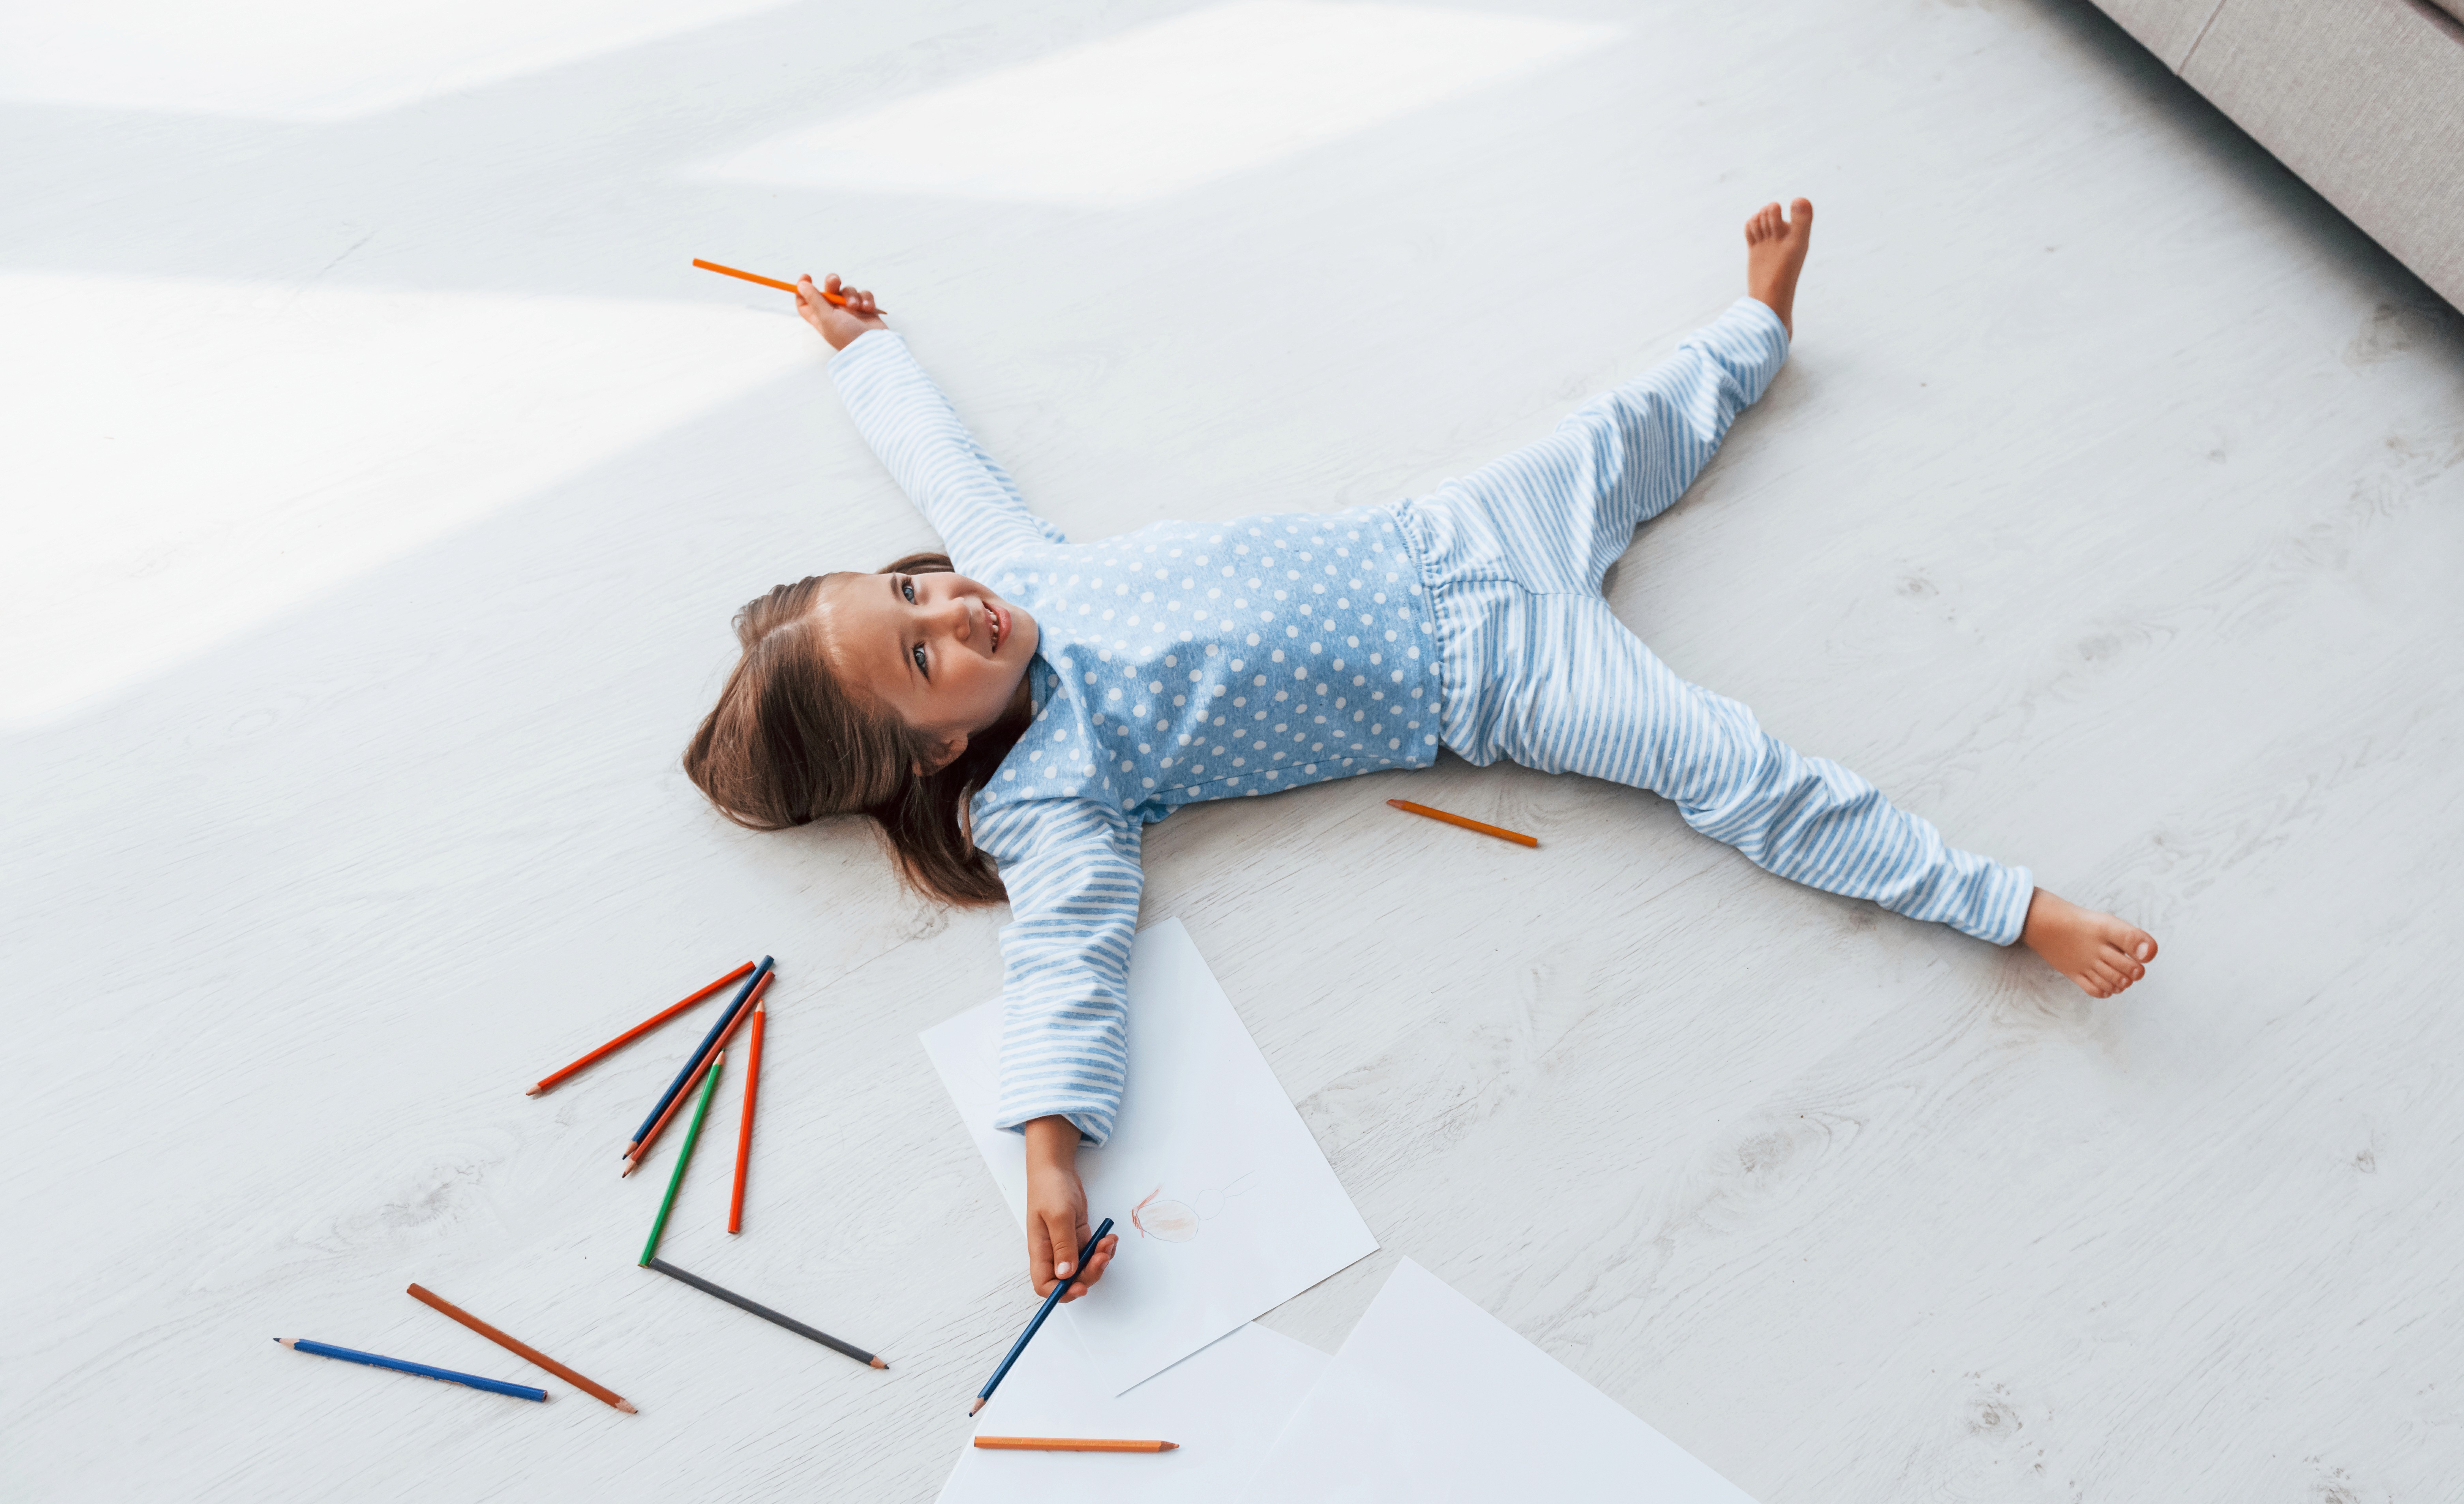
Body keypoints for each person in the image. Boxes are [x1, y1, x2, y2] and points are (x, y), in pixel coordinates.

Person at [684, 200, 2158, 1306]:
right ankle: (2010, 906)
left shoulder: (1011, 573)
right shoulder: (1050, 793)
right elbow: (1066, 957)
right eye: (923, 654)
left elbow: (943, 465)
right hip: (1491, 677)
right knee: (1731, 769)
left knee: (1626, 426)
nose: (952, 608)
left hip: (1446, 532)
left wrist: (865, 349)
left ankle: (1754, 329)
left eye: (912, 590)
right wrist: (1050, 1151)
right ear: (936, 750)